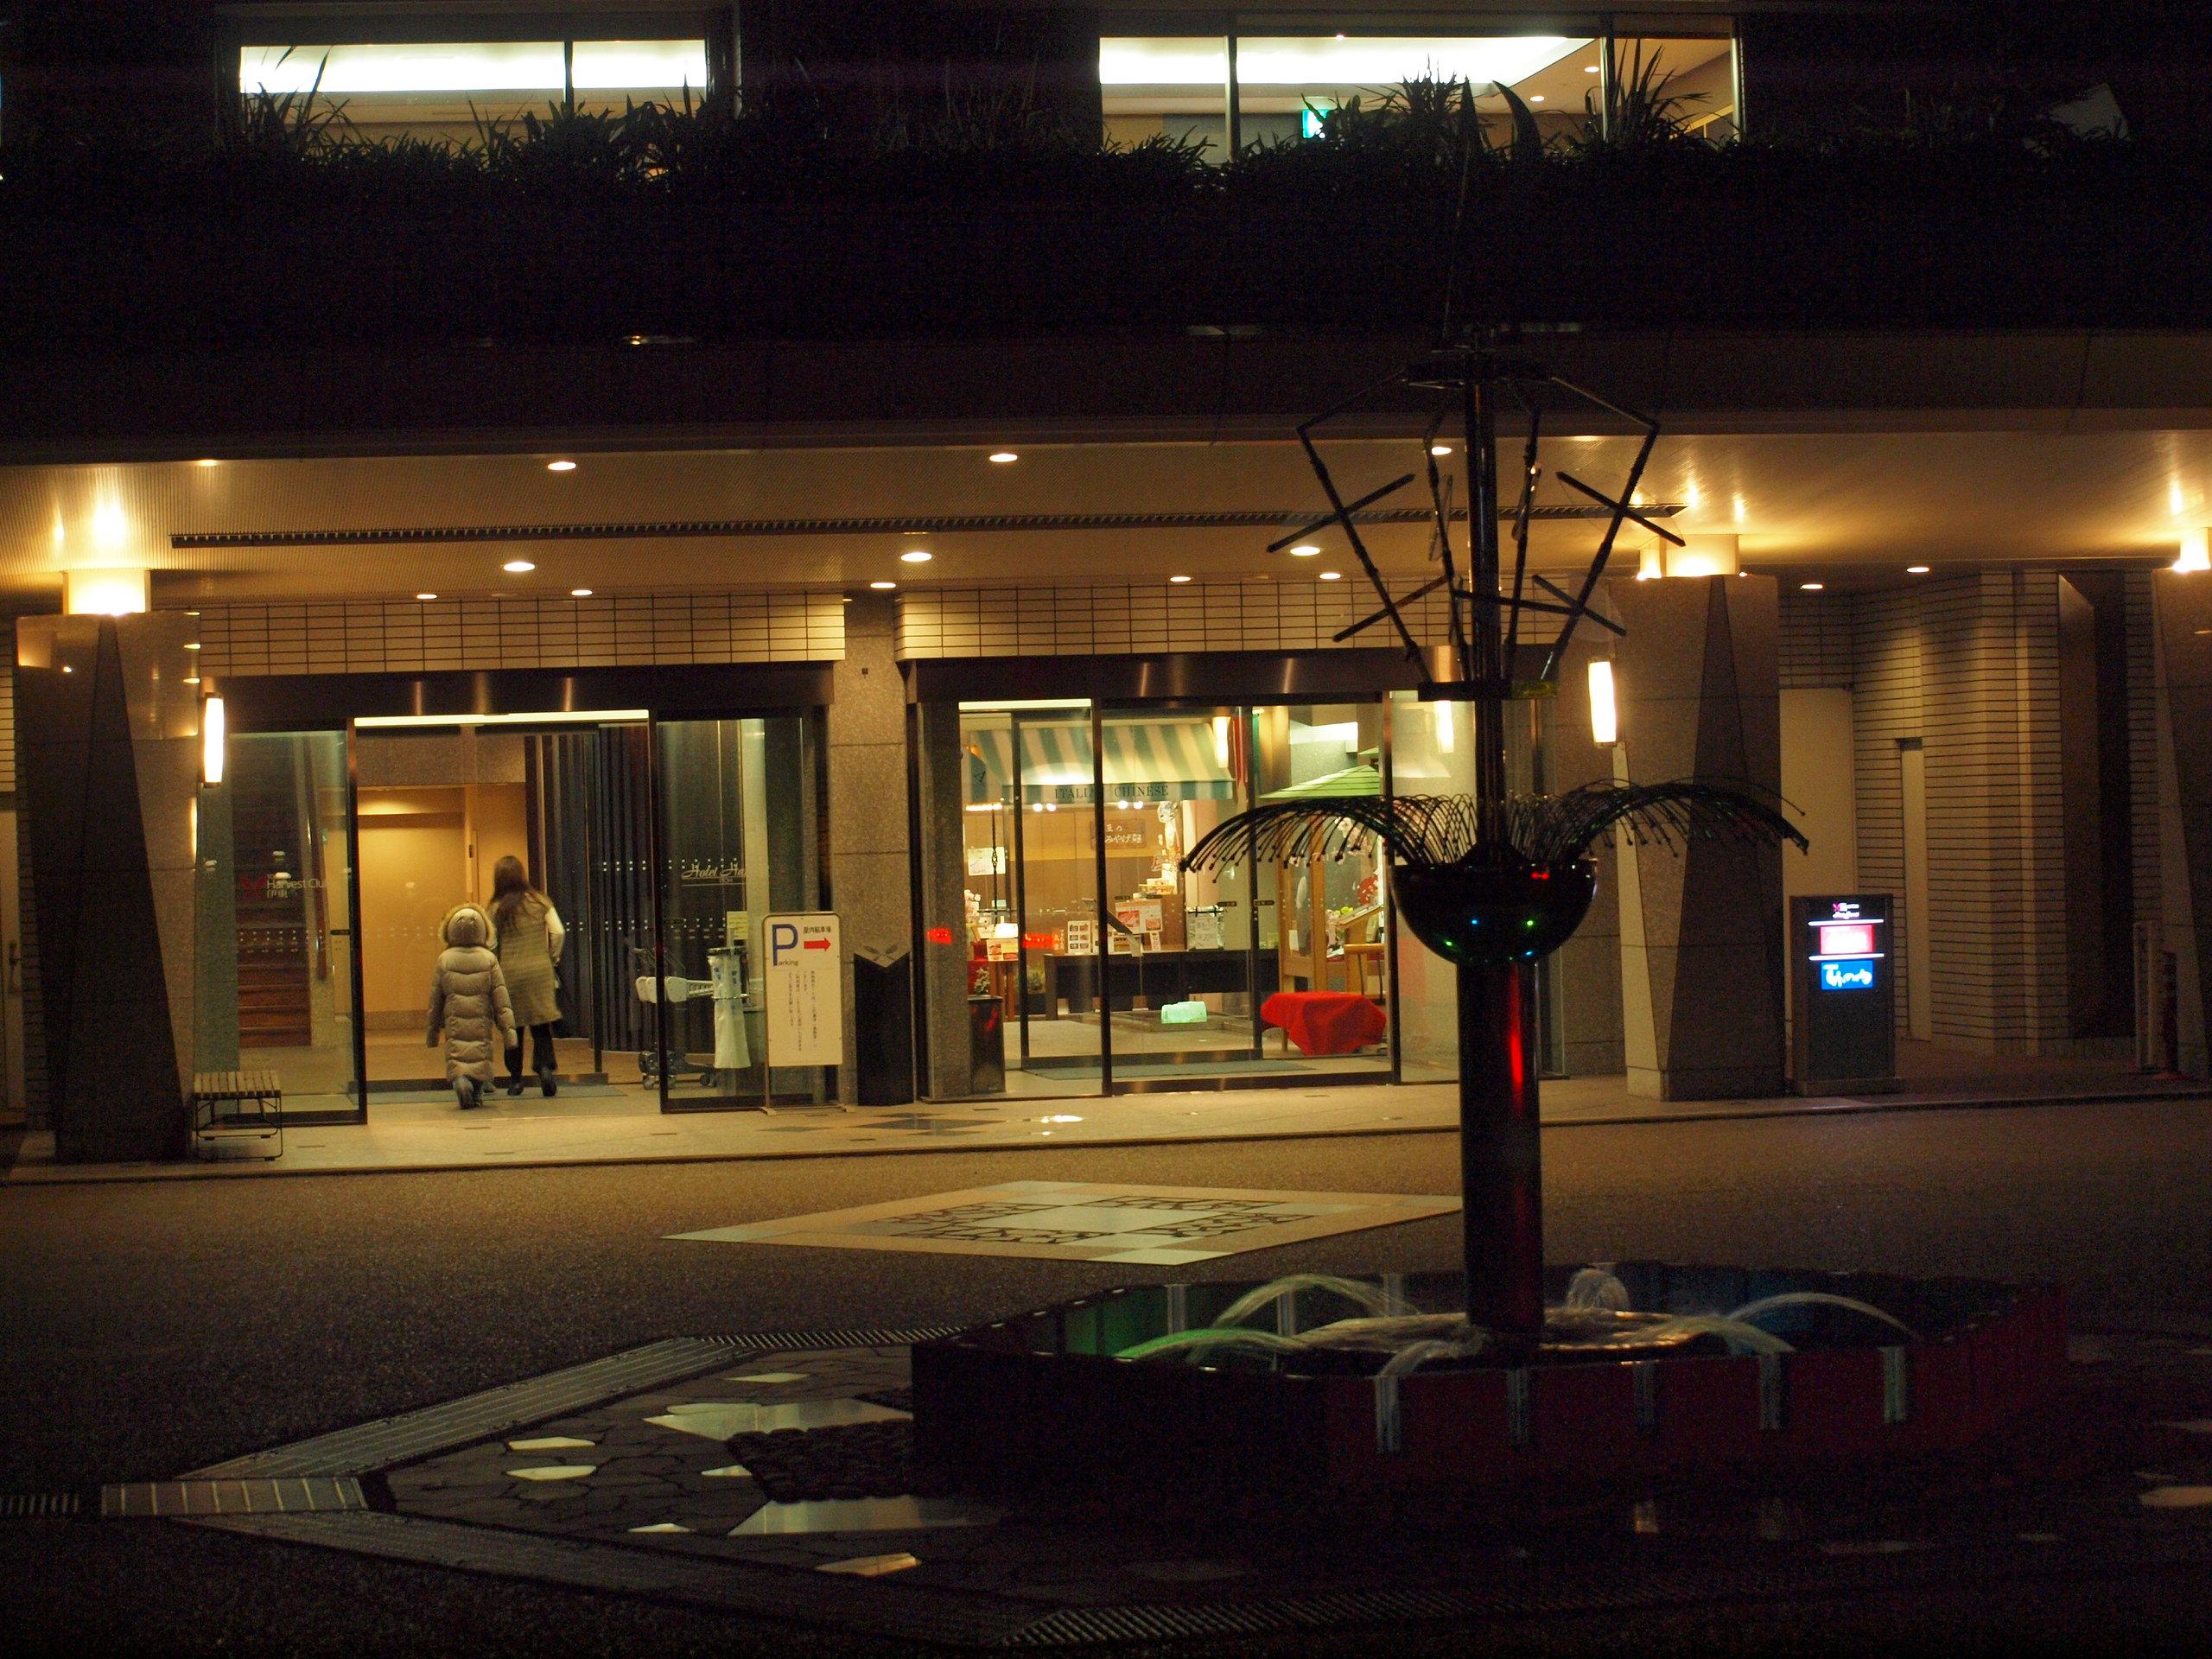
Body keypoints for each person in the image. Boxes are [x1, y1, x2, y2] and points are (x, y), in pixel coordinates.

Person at [488, 855, 566, 1097]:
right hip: (540, 970)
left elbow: (491, 943)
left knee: (513, 1028)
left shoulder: (495, 908)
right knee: (541, 1024)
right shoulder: (540, 901)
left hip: (510, 972)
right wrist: (551, 958)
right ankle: (545, 1068)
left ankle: (515, 1080)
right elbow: (558, 932)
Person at [426, 904, 515, 1111]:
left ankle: (460, 1081)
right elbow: (501, 1000)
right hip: (481, 1021)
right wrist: (509, 1033)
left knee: (457, 1055)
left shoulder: (444, 960)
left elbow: (435, 1001)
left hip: (454, 1022)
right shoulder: (489, 959)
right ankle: (476, 1092)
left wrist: (432, 1033)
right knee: (480, 1055)